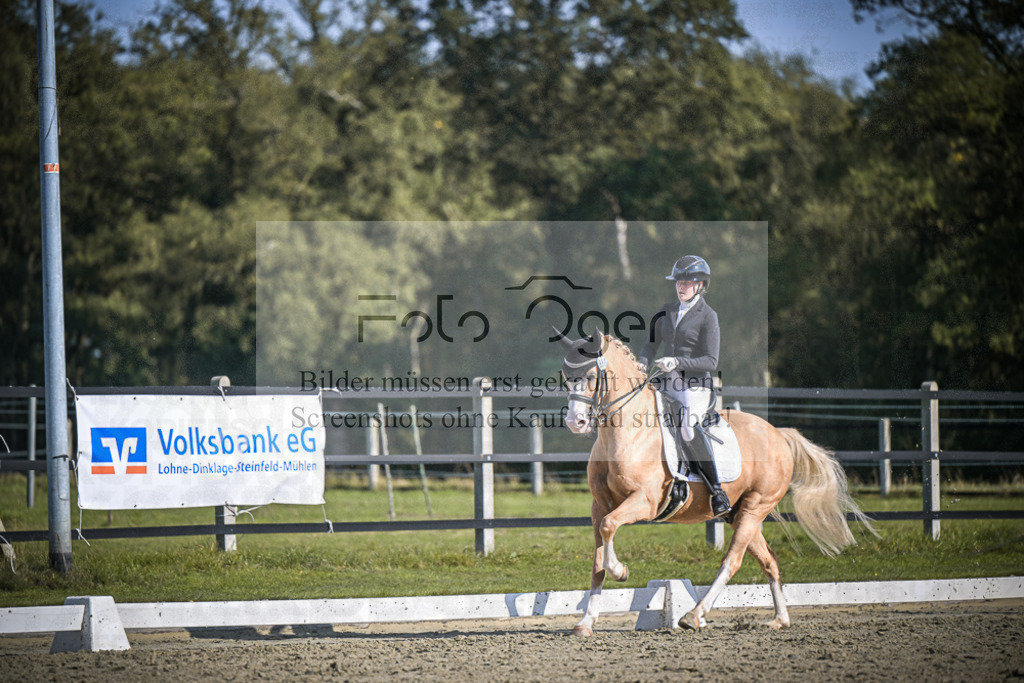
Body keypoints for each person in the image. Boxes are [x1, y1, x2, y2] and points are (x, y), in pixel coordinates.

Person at [638, 255, 731, 518]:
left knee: (688, 427)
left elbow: (711, 361)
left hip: (695, 386)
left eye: (688, 282)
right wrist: (640, 367)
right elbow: (649, 346)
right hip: (666, 382)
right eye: (678, 281)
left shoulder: (708, 317)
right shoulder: (665, 311)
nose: (681, 286)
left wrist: (677, 361)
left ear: (701, 285)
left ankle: (717, 492)